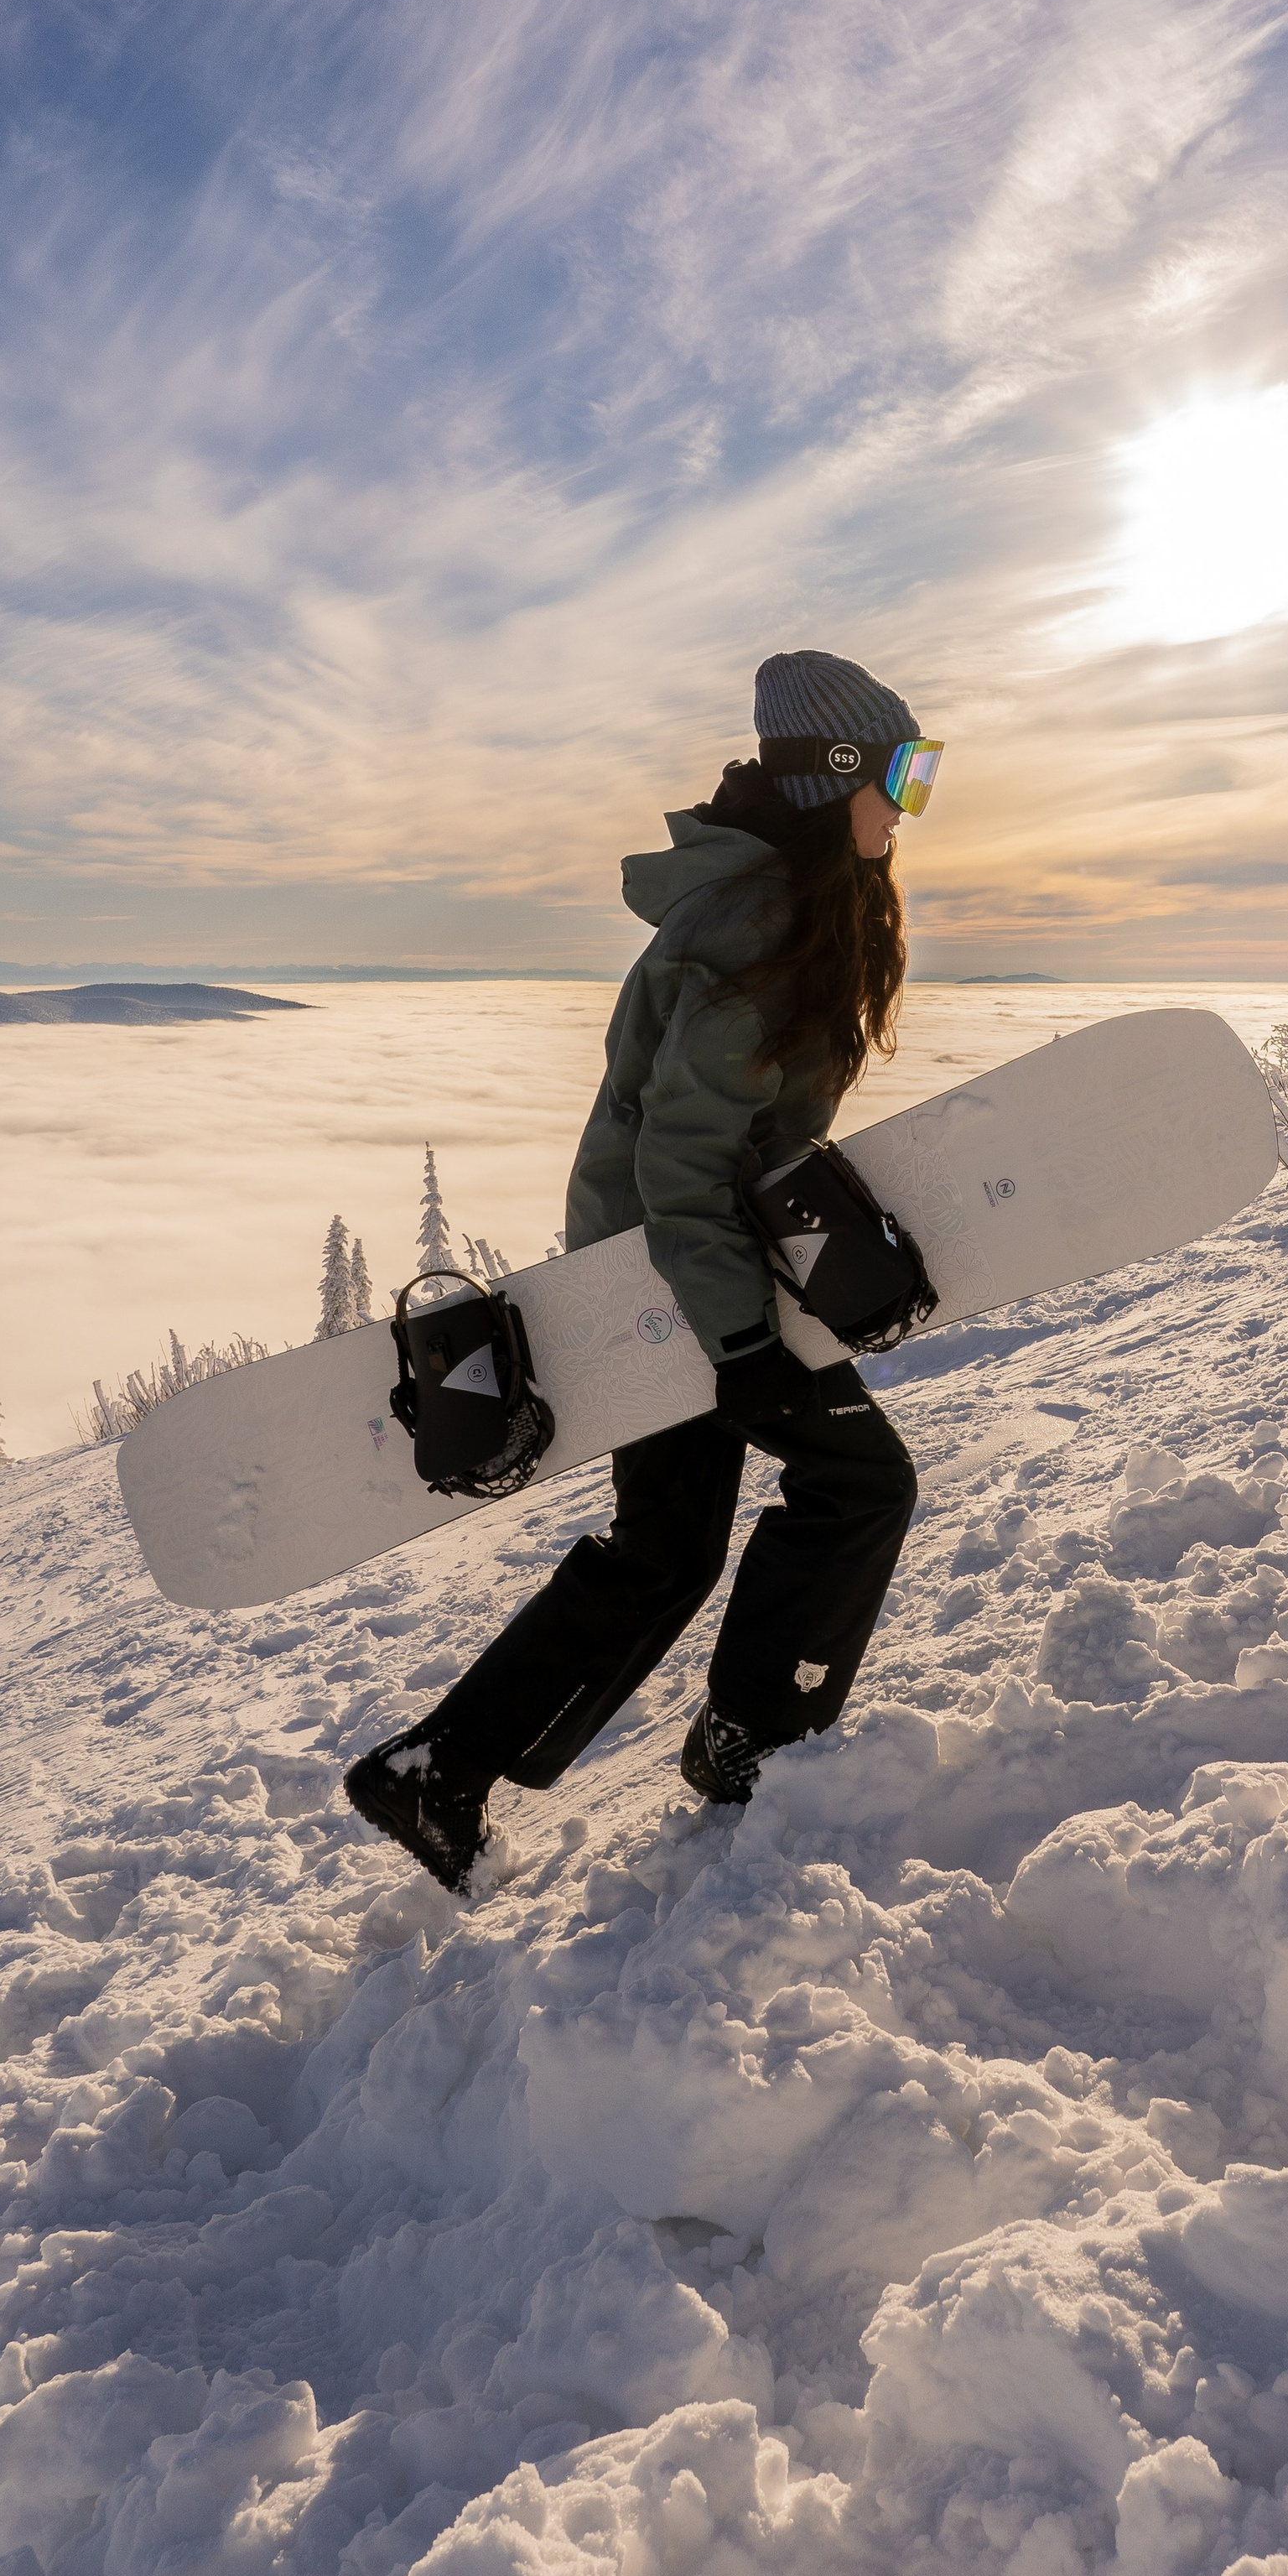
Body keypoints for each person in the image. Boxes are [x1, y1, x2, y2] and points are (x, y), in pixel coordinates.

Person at [344, 650, 937, 1890]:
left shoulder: (779, 900)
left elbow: (731, 1138)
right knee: (862, 1482)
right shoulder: (763, 918)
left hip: (666, 1271)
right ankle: (749, 1741)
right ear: (837, 778)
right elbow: (684, 1159)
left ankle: (439, 1768)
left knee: (665, 1546)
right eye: (905, 774)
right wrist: (743, 1345)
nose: (914, 805)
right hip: (673, 1285)